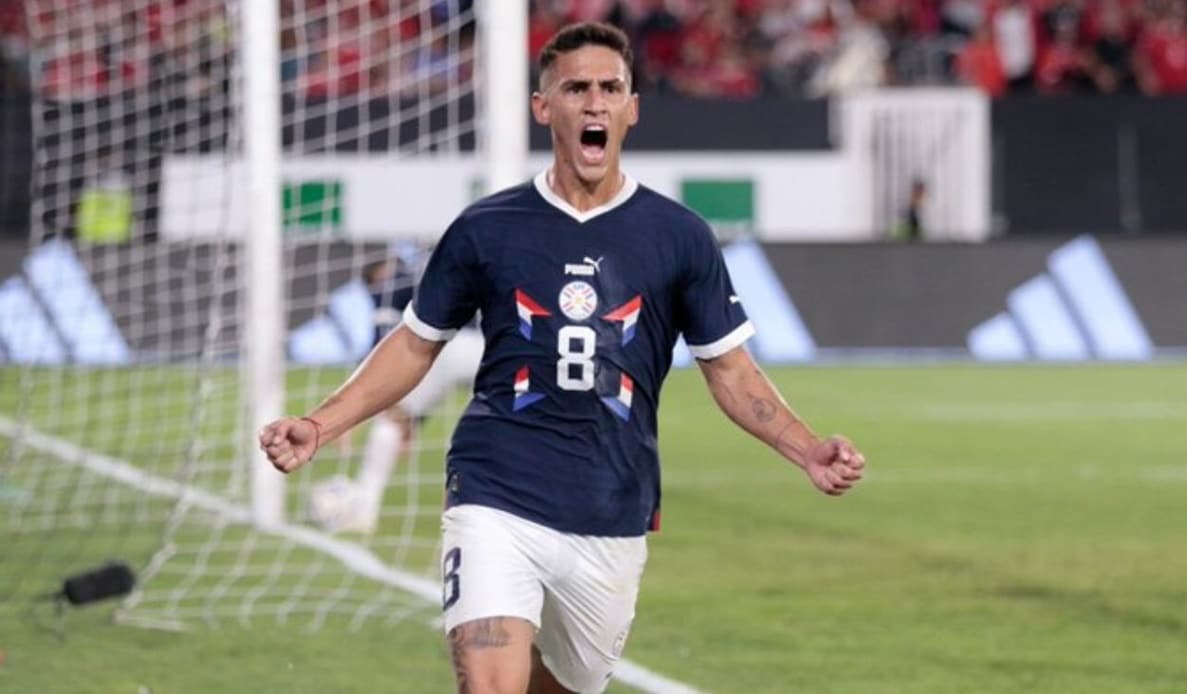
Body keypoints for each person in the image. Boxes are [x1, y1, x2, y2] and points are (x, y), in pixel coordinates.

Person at [260, 22, 866, 694]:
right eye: (577, 88)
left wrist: (806, 449)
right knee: (491, 685)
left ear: (633, 107)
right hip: (495, 490)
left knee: (565, 686)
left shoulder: (679, 237)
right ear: (543, 106)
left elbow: (730, 368)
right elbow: (414, 342)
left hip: (612, 506)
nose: (595, 103)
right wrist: (320, 424)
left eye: (611, 88)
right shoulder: (486, 227)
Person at [314, 255, 484, 533]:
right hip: (488, 346)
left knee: (390, 422)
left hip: (449, 346)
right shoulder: (428, 271)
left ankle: (365, 509)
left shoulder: (384, 292)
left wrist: (350, 409)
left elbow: (384, 349)